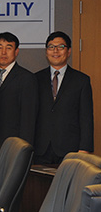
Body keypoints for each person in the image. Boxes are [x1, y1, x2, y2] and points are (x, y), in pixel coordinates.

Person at [34, 31, 93, 164]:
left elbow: (86, 118)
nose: (55, 50)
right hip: (40, 148)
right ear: (46, 51)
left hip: (70, 149)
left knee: (68, 185)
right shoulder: (35, 79)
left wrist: (85, 148)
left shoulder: (81, 80)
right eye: (51, 47)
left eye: (61, 47)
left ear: (69, 51)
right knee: (38, 185)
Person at [0, 32, 38, 145]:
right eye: (0, 48)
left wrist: (23, 147)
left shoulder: (27, 78)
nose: (3, 52)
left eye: (9, 48)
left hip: (13, 143)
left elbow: (28, 118)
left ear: (16, 51)